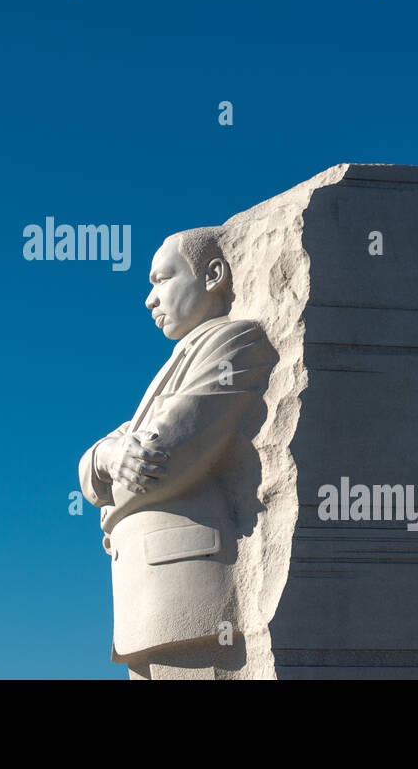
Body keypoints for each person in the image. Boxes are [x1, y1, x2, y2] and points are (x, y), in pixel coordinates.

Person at [78, 227, 276, 679]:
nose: (150, 300)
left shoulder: (234, 342)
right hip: (145, 602)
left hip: (187, 595)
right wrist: (108, 457)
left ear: (212, 274)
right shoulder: (173, 369)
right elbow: (92, 464)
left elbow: (163, 459)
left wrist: (110, 490)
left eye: (161, 280)